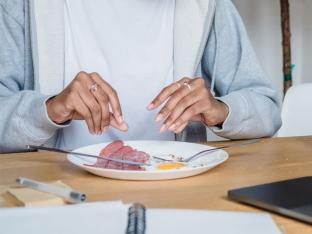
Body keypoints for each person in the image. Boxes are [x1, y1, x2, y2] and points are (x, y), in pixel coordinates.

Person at [0, 0, 281, 153]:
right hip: (60, 191)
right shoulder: (22, 7)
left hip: (176, 186)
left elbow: (267, 112)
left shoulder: (207, 7)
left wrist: (219, 110)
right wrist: (49, 109)